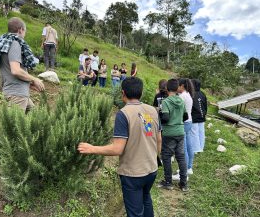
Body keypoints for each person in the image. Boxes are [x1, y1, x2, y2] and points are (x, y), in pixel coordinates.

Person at [78, 77, 162, 217]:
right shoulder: (151, 111)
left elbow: (117, 149)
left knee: (135, 213)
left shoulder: (124, 114)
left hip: (133, 174)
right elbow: (159, 139)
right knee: (146, 199)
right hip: (151, 169)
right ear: (140, 93)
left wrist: (91, 148)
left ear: (123, 93)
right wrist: (153, 157)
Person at [0, 17, 45, 113]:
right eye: (25, 31)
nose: (25, 34)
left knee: (35, 118)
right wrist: (34, 79)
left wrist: (28, 83)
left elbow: (8, 71)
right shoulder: (15, 44)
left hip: (17, 92)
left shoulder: (5, 43)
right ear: (20, 30)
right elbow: (15, 70)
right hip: (17, 95)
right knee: (13, 127)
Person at [158, 78, 189, 192]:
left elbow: (165, 118)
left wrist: (160, 115)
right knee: (181, 157)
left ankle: (168, 182)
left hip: (169, 132)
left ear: (167, 88)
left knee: (166, 156)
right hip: (180, 131)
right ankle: (183, 184)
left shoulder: (166, 101)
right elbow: (185, 116)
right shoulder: (181, 101)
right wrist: (177, 118)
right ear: (177, 89)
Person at [172, 78, 195, 181]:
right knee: (189, 145)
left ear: (181, 86)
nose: (176, 88)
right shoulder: (188, 94)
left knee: (182, 149)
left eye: (178, 85)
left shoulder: (181, 96)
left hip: (183, 123)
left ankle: (183, 173)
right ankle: (189, 167)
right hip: (189, 121)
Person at [191, 79, 208, 153]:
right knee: (201, 132)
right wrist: (204, 113)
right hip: (202, 116)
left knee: (194, 133)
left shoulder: (192, 94)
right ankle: (201, 147)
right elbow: (205, 105)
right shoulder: (202, 94)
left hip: (194, 116)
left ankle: (196, 149)